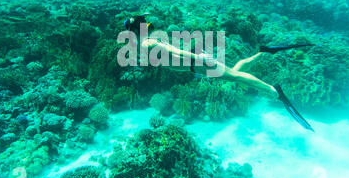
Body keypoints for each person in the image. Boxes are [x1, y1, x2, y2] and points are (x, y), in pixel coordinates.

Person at [124, 14, 315, 132]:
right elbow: (172, 54)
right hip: (195, 64)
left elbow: (176, 53)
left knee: (235, 77)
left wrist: (199, 59)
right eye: (145, 24)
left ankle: (274, 91)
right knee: (233, 73)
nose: (149, 25)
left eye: (147, 23)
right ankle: (265, 51)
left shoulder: (146, 43)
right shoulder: (148, 42)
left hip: (196, 63)